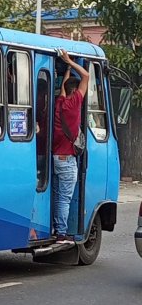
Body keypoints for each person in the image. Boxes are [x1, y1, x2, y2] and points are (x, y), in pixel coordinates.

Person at [52, 49, 89, 244]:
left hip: (56, 159)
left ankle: (57, 228)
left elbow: (63, 89)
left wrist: (67, 68)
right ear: (77, 92)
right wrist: (70, 62)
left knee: (58, 196)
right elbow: (86, 75)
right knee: (64, 199)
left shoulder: (60, 104)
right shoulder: (74, 104)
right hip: (67, 161)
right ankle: (61, 233)